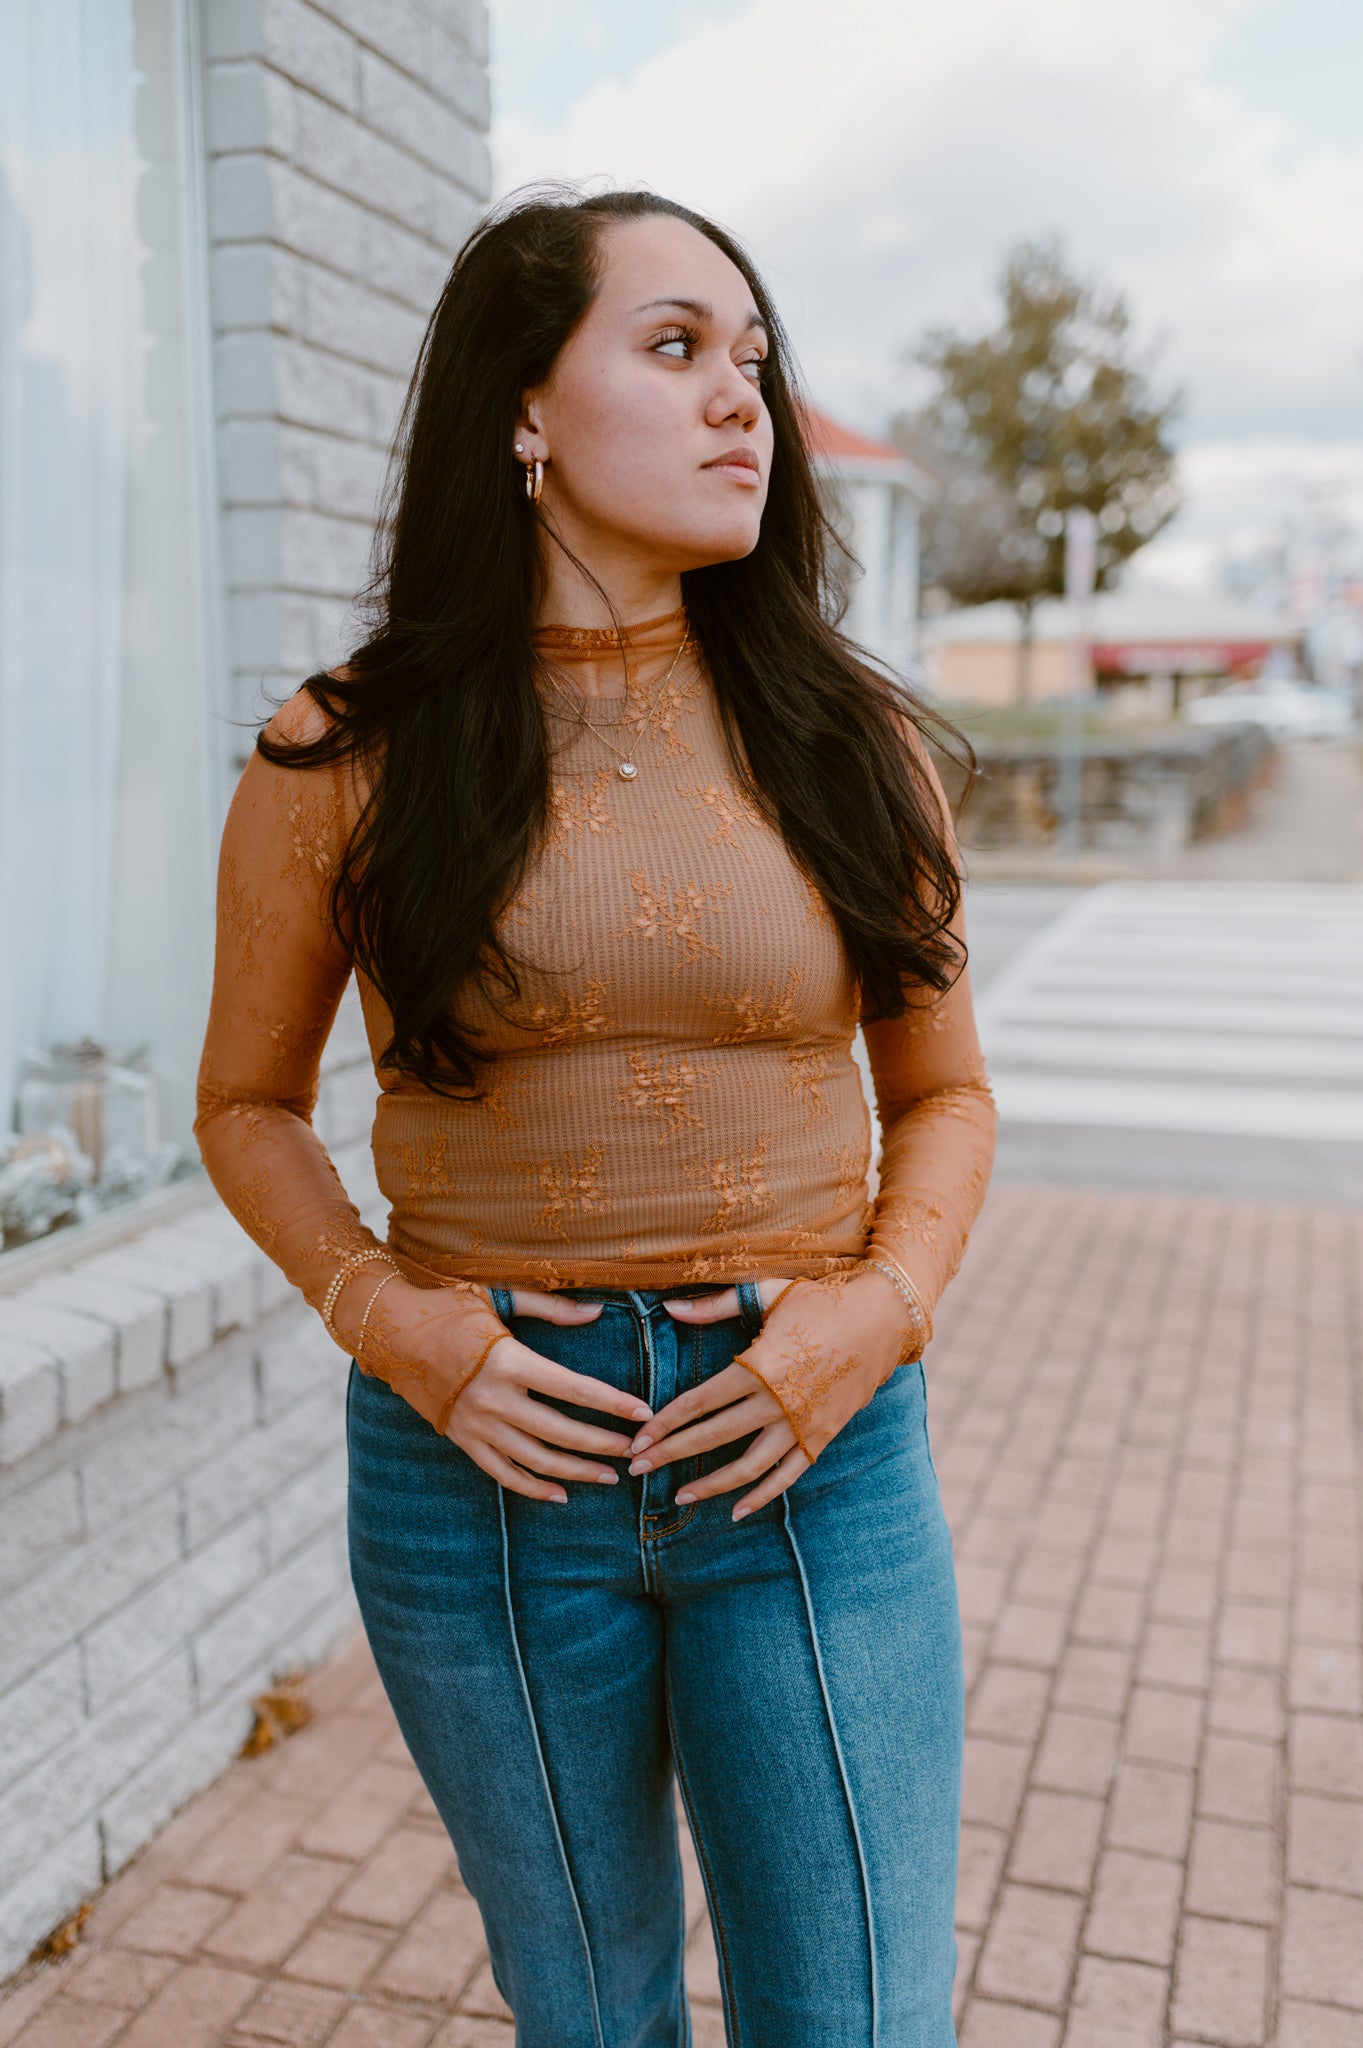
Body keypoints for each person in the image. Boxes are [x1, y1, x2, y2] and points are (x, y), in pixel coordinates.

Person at [195, 185, 996, 2048]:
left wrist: (869, 1324)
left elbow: (945, 1091)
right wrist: (396, 1329)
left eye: (758, 361)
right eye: (676, 346)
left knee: (861, 2018)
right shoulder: (343, 752)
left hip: (811, 1455)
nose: (745, 401)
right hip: (481, 1479)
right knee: (591, 2016)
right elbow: (245, 1104)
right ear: (523, 411)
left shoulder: (848, 740)